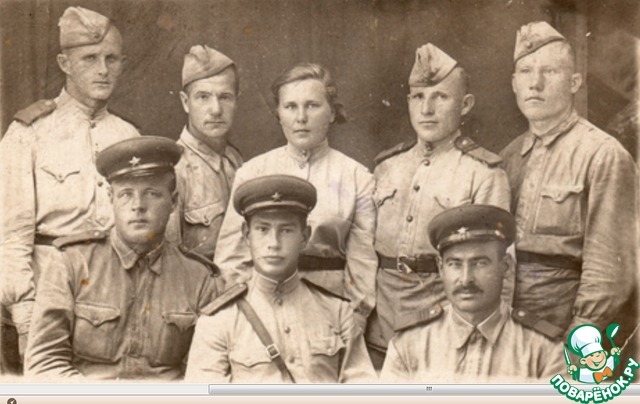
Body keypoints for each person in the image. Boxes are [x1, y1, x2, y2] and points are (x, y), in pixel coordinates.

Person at [0, 6, 140, 373]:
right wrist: (25, 315)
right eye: (90, 58)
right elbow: (11, 239)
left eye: (111, 59)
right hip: (46, 303)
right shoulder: (28, 133)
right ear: (65, 63)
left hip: (113, 301)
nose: (102, 69)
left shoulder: (128, 136)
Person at [24, 137, 220, 379]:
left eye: (152, 193)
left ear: (173, 201)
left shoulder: (199, 278)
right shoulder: (71, 262)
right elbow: (44, 364)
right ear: (111, 198)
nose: (138, 206)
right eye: (126, 194)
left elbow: (205, 373)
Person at [368, 43, 511, 366]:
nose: (427, 109)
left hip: (445, 325)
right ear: (408, 102)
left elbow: (498, 271)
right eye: (418, 97)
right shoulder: (386, 167)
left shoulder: (483, 173)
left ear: (465, 104)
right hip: (381, 324)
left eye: (440, 97)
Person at [214, 63, 377, 333]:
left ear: (332, 112)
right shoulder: (252, 172)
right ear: (278, 113)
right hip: (262, 310)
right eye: (290, 107)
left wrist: (351, 322)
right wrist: (251, 317)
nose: (301, 117)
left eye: (312, 106)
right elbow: (231, 259)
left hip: (330, 312)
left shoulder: (357, 177)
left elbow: (363, 265)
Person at [500, 21, 638, 335]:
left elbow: (609, 272)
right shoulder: (508, 157)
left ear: (574, 82)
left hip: (564, 334)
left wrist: (578, 342)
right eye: (526, 71)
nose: (535, 83)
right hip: (509, 335)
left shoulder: (603, 156)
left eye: (549, 71)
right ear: (514, 83)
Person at [185, 175, 376, 382]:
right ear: (247, 235)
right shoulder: (219, 320)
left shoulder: (337, 313)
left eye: (286, 230)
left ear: (305, 236)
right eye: (263, 229)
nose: (274, 243)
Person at [380, 205, 564, 382]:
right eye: (455, 264)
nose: (466, 279)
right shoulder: (409, 344)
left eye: (480, 263)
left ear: (506, 266)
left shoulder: (543, 350)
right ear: (441, 268)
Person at [164, 45, 242, 260]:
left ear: (236, 101)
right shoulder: (174, 171)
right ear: (185, 102)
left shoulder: (236, 161)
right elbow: (170, 261)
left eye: (225, 97)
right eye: (203, 97)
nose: (216, 109)